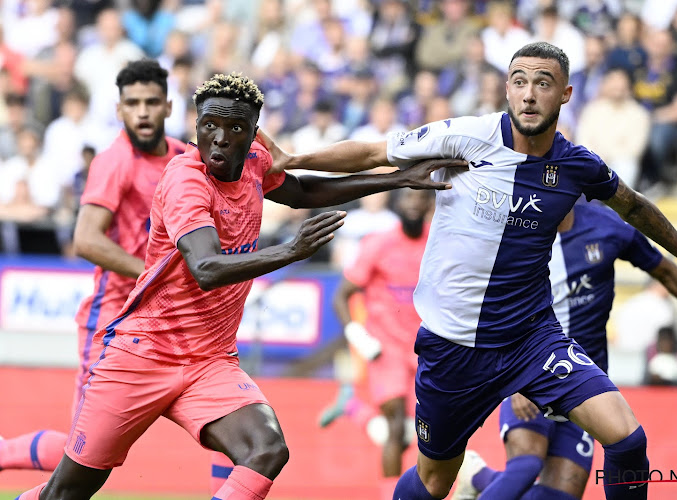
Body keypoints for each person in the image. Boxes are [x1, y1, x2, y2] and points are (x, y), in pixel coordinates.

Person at [262, 42, 677, 500]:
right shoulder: (464, 135)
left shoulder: (575, 165)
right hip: (453, 347)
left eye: (543, 84)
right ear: (507, 89)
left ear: (565, 94)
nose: (529, 94)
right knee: (434, 481)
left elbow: (634, 205)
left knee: (628, 439)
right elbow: (371, 154)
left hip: (531, 339)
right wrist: (293, 160)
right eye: (520, 82)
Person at [13, 72, 462, 500]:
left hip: (209, 361)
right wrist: (290, 250)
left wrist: (398, 178)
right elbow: (205, 267)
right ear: (195, 125)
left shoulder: (254, 163)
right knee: (67, 492)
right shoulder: (185, 179)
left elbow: (302, 190)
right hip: (144, 352)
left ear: (254, 134)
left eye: (235, 127)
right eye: (209, 125)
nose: (221, 139)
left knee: (267, 450)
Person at [451, 201, 677, 500]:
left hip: (584, 386)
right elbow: (495, 301)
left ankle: (479, 476)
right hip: (530, 371)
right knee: (526, 467)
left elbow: (668, 274)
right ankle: (480, 476)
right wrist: (515, 379)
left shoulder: (609, 228)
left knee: (558, 497)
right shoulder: (518, 230)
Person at [0, 58, 185, 476]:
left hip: (165, 322)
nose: (142, 111)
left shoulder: (183, 158)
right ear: (119, 110)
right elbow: (85, 239)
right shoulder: (113, 162)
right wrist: (152, 274)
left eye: (151, 102)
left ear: (168, 107)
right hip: (113, 321)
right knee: (82, 456)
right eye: (133, 103)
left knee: (227, 420)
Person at [323, 189, 433, 500]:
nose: (413, 204)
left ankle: (354, 408)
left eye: (420, 199)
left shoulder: (438, 243)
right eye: (408, 198)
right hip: (386, 349)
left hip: (424, 350)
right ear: (397, 204)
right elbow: (341, 296)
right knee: (396, 427)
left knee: (411, 435)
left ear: (429, 203)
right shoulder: (378, 244)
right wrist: (357, 334)